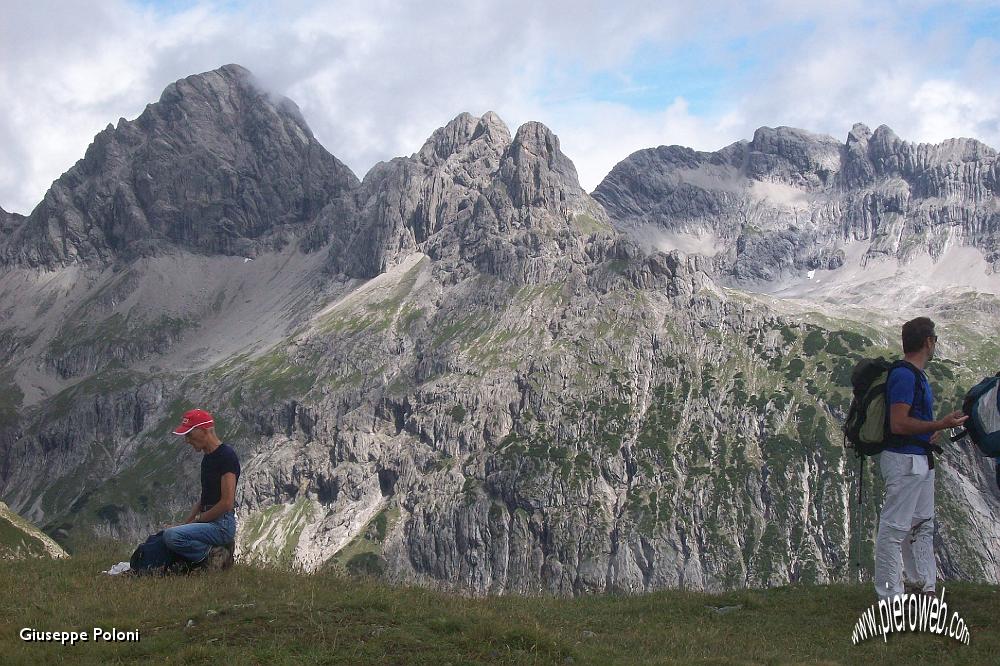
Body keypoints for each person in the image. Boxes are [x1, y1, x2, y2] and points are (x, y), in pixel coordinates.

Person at [874, 317, 967, 599]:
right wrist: (939, 425)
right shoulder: (904, 375)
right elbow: (898, 424)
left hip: (919, 459)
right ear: (928, 342)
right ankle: (889, 598)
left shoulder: (915, 374)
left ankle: (922, 586)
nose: (935, 344)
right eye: (935, 339)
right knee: (894, 529)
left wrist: (929, 432)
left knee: (921, 524)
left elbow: (910, 424)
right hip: (904, 462)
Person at [163, 408, 240, 569]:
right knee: (170, 535)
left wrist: (199, 520)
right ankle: (206, 557)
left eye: (189, 434)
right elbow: (205, 497)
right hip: (210, 521)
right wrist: (186, 523)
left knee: (172, 537)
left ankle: (214, 556)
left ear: (204, 431)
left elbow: (227, 503)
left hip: (222, 525)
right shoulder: (207, 458)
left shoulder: (226, 455)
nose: (187, 440)